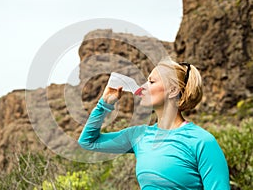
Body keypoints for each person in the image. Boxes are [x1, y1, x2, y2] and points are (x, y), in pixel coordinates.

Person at [78, 59, 230, 189]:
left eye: (151, 82)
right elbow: (88, 141)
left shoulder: (202, 141)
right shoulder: (138, 136)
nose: (142, 87)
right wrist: (104, 104)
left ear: (173, 90)